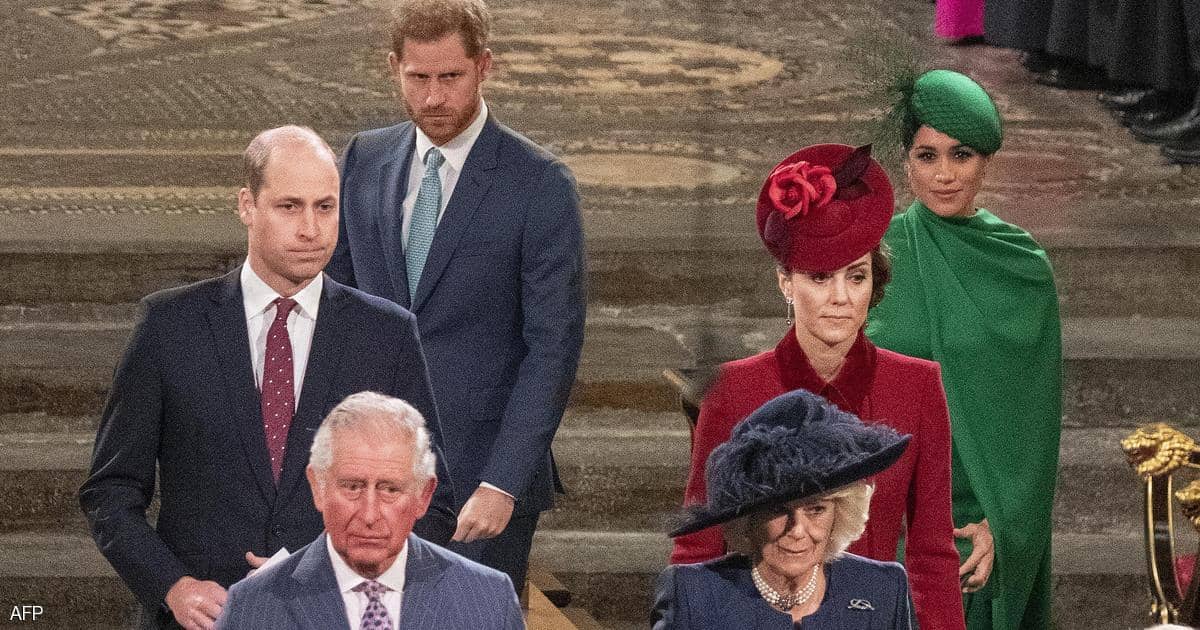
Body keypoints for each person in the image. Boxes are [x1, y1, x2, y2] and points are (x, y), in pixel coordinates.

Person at [79, 126, 456, 630]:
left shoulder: (386, 335)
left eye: (325, 207)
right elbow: (111, 492)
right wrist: (173, 587)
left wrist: (340, 579)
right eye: (289, 207)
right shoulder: (169, 327)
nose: (311, 229)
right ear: (247, 206)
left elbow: (433, 502)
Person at [326, 0, 585, 593]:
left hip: (481, 487)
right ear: (393, 68)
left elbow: (553, 348)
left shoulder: (539, 183)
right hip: (371, 480)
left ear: (483, 66)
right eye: (417, 78)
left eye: (451, 77)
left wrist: (503, 482)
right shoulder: (364, 160)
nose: (434, 97)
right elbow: (334, 315)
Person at [671, 143, 965, 629]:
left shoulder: (917, 386)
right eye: (821, 277)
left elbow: (932, 555)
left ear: (875, 283)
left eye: (857, 276)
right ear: (786, 283)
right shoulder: (734, 390)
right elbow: (697, 550)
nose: (841, 298)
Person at [866, 69, 1062, 630]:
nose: (945, 175)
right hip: (881, 508)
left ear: (986, 161)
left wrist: (1004, 525)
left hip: (974, 521)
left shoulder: (1022, 267)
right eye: (927, 156)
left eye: (962, 155)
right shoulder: (875, 256)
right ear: (905, 162)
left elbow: (1035, 427)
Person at [215, 392, 522, 630]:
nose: (370, 515)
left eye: (390, 490)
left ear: (424, 496)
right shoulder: (252, 606)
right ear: (318, 487)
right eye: (352, 487)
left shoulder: (489, 599)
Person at [653, 389, 915, 629]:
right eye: (777, 510)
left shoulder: (882, 588)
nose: (797, 530)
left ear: (841, 513)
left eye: (816, 509)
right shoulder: (692, 594)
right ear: (747, 519)